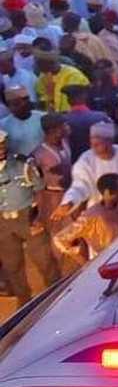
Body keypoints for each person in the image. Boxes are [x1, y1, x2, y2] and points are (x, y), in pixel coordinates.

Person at [0, 129, 55, 305]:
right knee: (12, 264)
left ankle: (55, 297)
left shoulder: (22, 164)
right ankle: (24, 302)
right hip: (2, 222)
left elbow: (39, 190)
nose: (1, 149)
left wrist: (38, 217)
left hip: (27, 216)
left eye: (2, 145)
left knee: (44, 259)